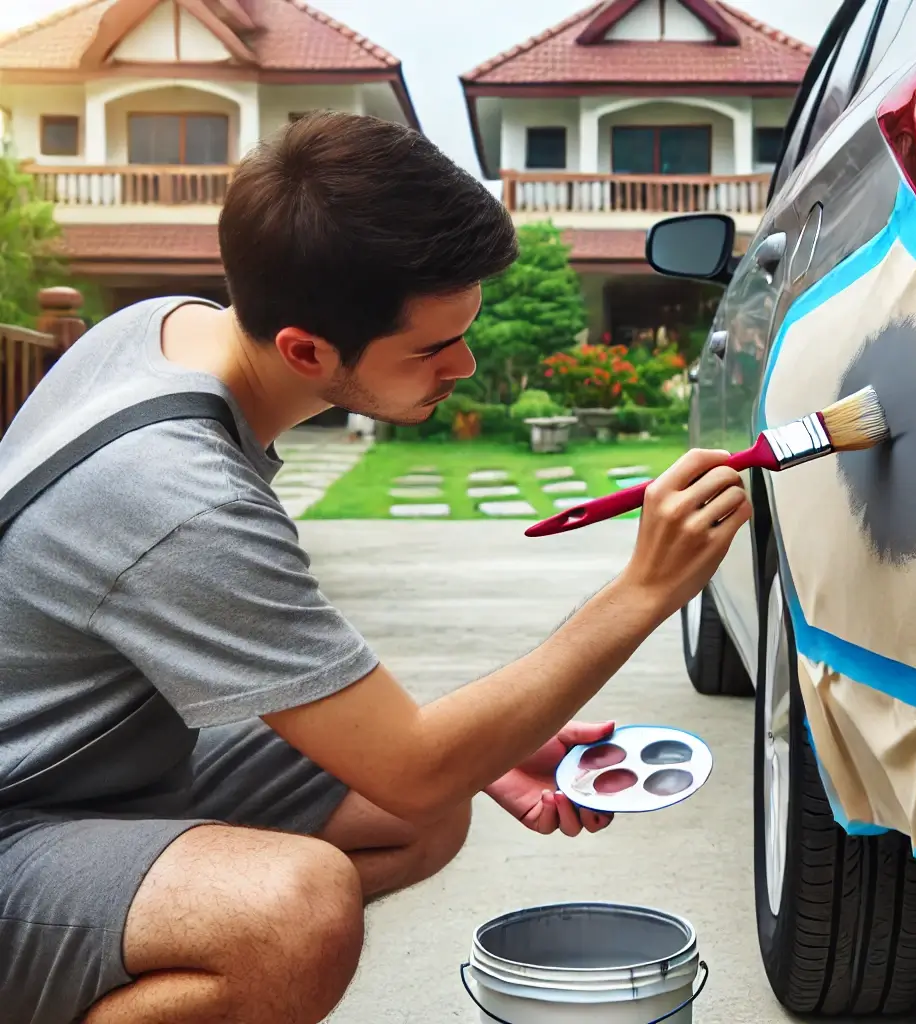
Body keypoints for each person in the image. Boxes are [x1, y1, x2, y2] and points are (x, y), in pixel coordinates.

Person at [0, 111, 752, 1024]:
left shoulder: (164, 329)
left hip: (101, 775)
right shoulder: (180, 494)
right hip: (23, 818)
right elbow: (412, 763)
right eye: (432, 348)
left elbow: (409, 775)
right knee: (291, 910)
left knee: (420, 810)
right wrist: (645, 591)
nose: (465, 365)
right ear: (306, 351)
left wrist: (477, 748)